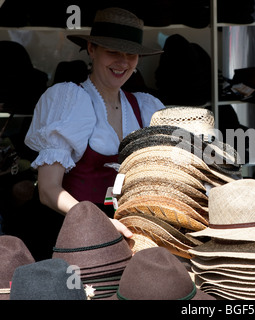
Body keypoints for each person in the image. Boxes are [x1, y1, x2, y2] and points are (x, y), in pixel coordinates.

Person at [24, 8, 164, 241]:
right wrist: (101, 222)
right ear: (91, 49)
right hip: (71, 231)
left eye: (131, 54)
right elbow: (48, 192)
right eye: (113, 52)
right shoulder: (68, 101)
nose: (123, 62)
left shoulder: (146, 107)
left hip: (127, 233)